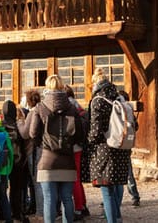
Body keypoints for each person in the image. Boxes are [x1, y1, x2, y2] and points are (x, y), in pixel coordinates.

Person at [26, 74, 85, 223]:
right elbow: (80, 133)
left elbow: (32, 132)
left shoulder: (40, 107)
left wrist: (43, 143)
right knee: (67, 199)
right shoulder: (72, 108)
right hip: (68, 159)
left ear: (47, 87)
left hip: (47, 159)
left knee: (49, 200)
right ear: (61, 86)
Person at [88, 71, 135, 223]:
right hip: (121, 148)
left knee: (106, 190)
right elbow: (135, 125)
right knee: (116, 186)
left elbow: (95, 131)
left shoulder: (98, 100)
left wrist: (88, 141)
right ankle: (118, 217)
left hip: (105, 149)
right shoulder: (119, 98)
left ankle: (112, 220)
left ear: (96, 84)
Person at [3, 100, 31, 223]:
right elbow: (25, 144)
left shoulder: (0, 126)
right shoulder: (18, 125)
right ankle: (17, 213)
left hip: (3, 162)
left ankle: (3, 212)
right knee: (17, 189)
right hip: (18, 162)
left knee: (1, 189)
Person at [66, 87, 89, 220]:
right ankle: (83, 205)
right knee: (77, 178)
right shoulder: (78, 106)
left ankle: (78, 208)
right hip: (79, 147)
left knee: (73, 179)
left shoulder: (68, 107)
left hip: (72, 147)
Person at [116, 91, 139, 207]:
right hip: (127, 144)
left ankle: (132, 196)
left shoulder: (117, 109)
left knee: (120, 174)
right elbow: (136, 126)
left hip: (118, 144)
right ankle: (134, 196)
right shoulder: (129, 110)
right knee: (129, 173)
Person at [21, 89, 42, 217]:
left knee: (36, 182)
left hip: (32, 150)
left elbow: (25, 133)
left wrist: (19, 122)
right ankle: (38, 207)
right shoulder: (42, 110)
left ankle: (40, 211)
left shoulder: (32, 113)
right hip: (40, 149)